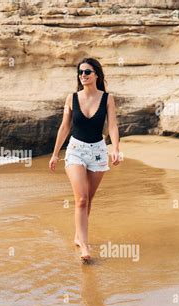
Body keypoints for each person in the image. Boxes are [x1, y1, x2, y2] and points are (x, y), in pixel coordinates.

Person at [49, 57, 120, 264]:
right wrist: (55, 154)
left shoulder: (108, 98)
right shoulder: (71, 98)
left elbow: (113, 126)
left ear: (96, 74)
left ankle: (78, 236)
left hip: (98, 151)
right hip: (75, 151)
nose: (83, 75)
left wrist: (115, 148)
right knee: (80, 198)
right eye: (80, 72)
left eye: (87, 72)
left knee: (88, 198)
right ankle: (85, 244)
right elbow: (64, 127)